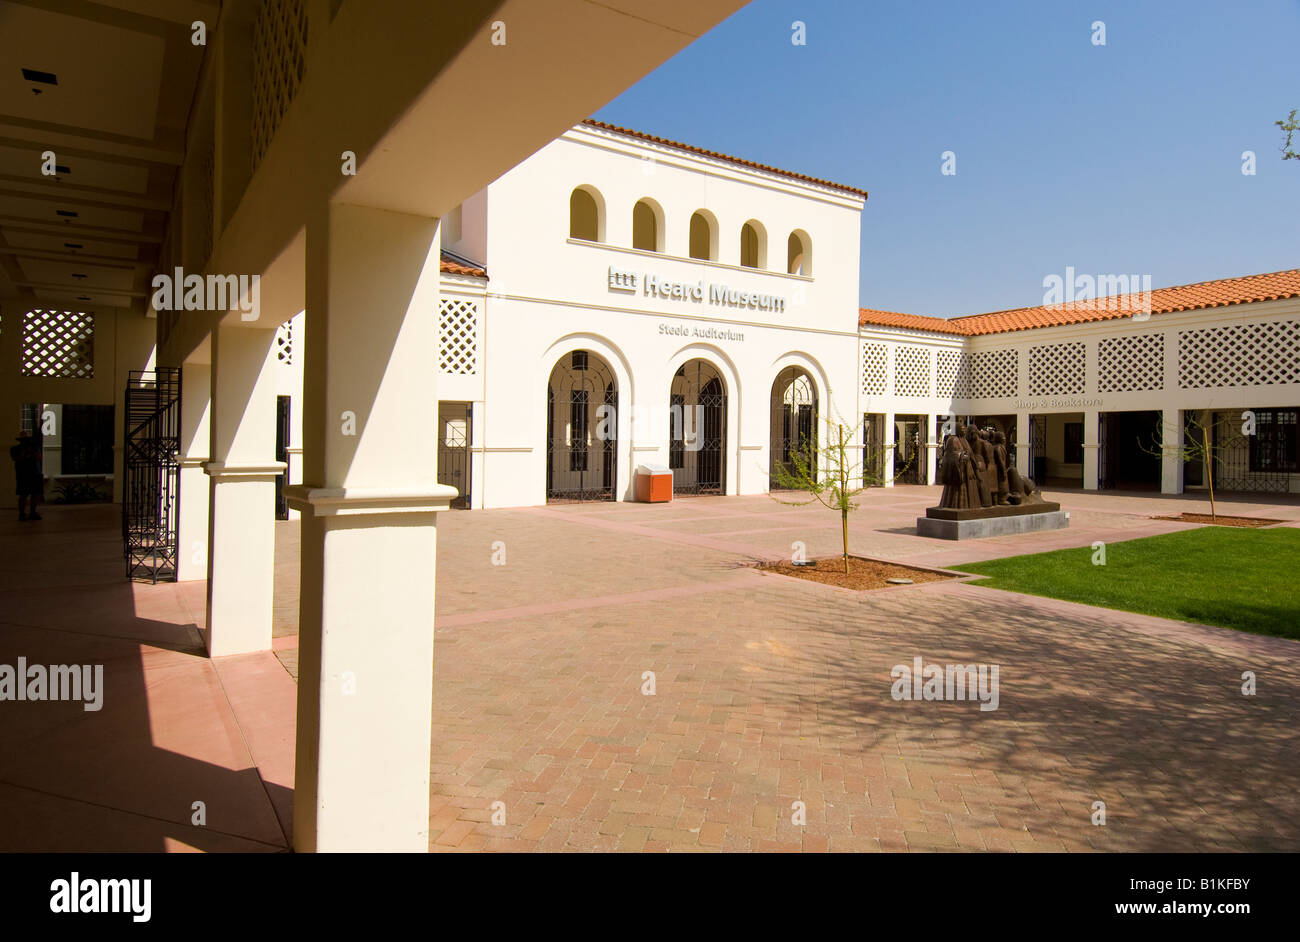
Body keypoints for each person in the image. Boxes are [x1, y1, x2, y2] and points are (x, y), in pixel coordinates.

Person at [10, 431, 43, 521]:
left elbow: (39, 457)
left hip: (34, 473)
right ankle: (22, 514)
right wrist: (24, 452)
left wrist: (32, 452)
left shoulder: (34, 448)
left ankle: (32, 512)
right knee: (23, 495)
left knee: (35, 494)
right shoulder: (15, 449)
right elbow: (16, 458)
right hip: (23, 474)